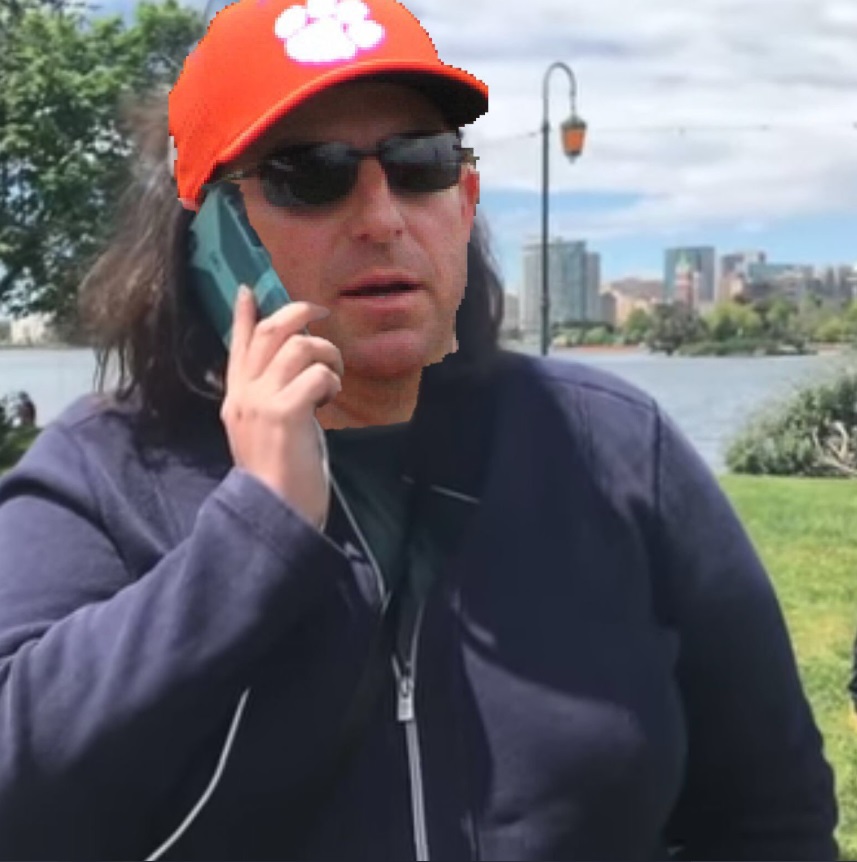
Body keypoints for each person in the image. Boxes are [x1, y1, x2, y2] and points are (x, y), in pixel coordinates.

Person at [0, 0, 838, 859]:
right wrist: (254, 532)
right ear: (211, 233)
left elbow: (773, 816)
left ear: (464, 199)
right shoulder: (103, 474)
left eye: (420, 164)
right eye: (309, 173)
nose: (381, 217)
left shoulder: (614, 450)